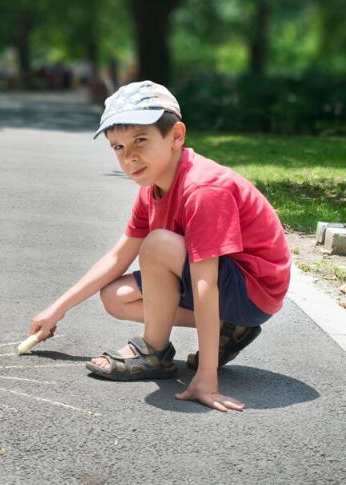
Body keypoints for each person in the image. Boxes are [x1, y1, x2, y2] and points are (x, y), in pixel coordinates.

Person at [28, 80, 291, 412]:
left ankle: (153, 350)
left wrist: (208, 376)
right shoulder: (152, 190)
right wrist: (57, 309)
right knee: (116, 297)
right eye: (118, 147)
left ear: (176, 136)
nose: (129, 157)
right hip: (225, 283)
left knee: (157, 245)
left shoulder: (203, 189)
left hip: (253, 289)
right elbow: (117, 257)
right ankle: (230, 329)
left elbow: (204, 282)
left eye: (140, 140)